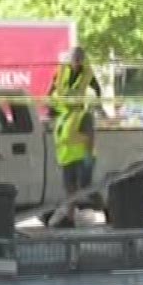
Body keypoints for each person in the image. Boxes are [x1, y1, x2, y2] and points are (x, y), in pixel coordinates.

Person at [49, 47, 103, 198]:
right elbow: (52, 88)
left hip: (77, 112)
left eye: (80, 61)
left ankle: (98, 203)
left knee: (83, 186)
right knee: (70, 188)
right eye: (75, 61)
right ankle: (71, 213)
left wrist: (98, 105)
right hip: (63, 112)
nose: (77, 64)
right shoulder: (61, 71)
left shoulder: (87, 72)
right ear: (71, 60)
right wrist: (50, 107)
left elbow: (97, 88)